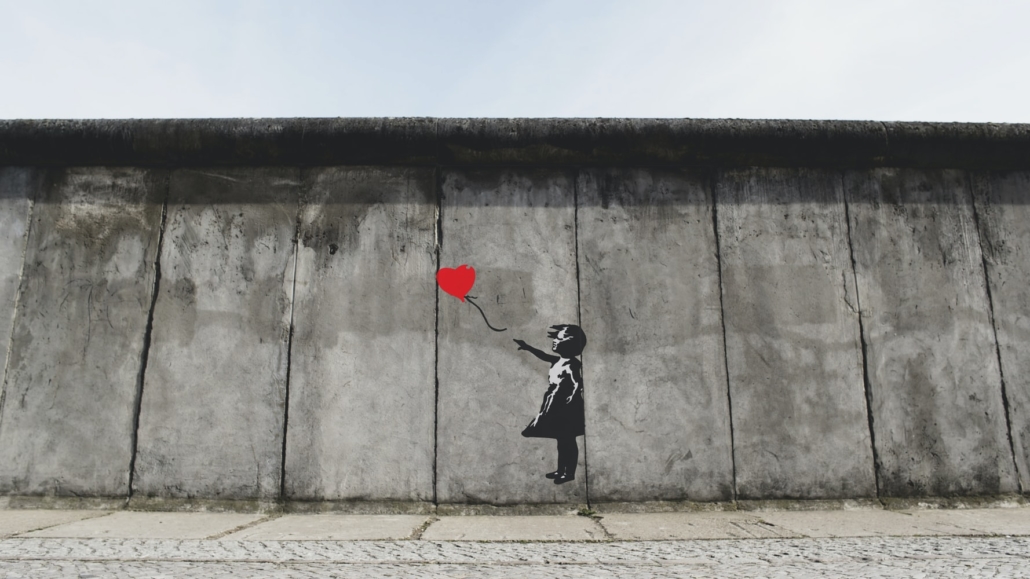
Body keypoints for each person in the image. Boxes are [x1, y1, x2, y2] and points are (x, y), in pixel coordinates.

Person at [514, 324, 587, 485]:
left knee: (568, 440)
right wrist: (527, 347)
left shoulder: (572, 364)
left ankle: (569, 473)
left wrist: (571, 397)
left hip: (566, 404)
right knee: (561, 440)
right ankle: (561, 470)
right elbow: (542, 355)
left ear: (569, 343)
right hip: (555, 400)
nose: (554, 341)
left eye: (558, 339)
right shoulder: (558, 360)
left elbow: (577, 383)